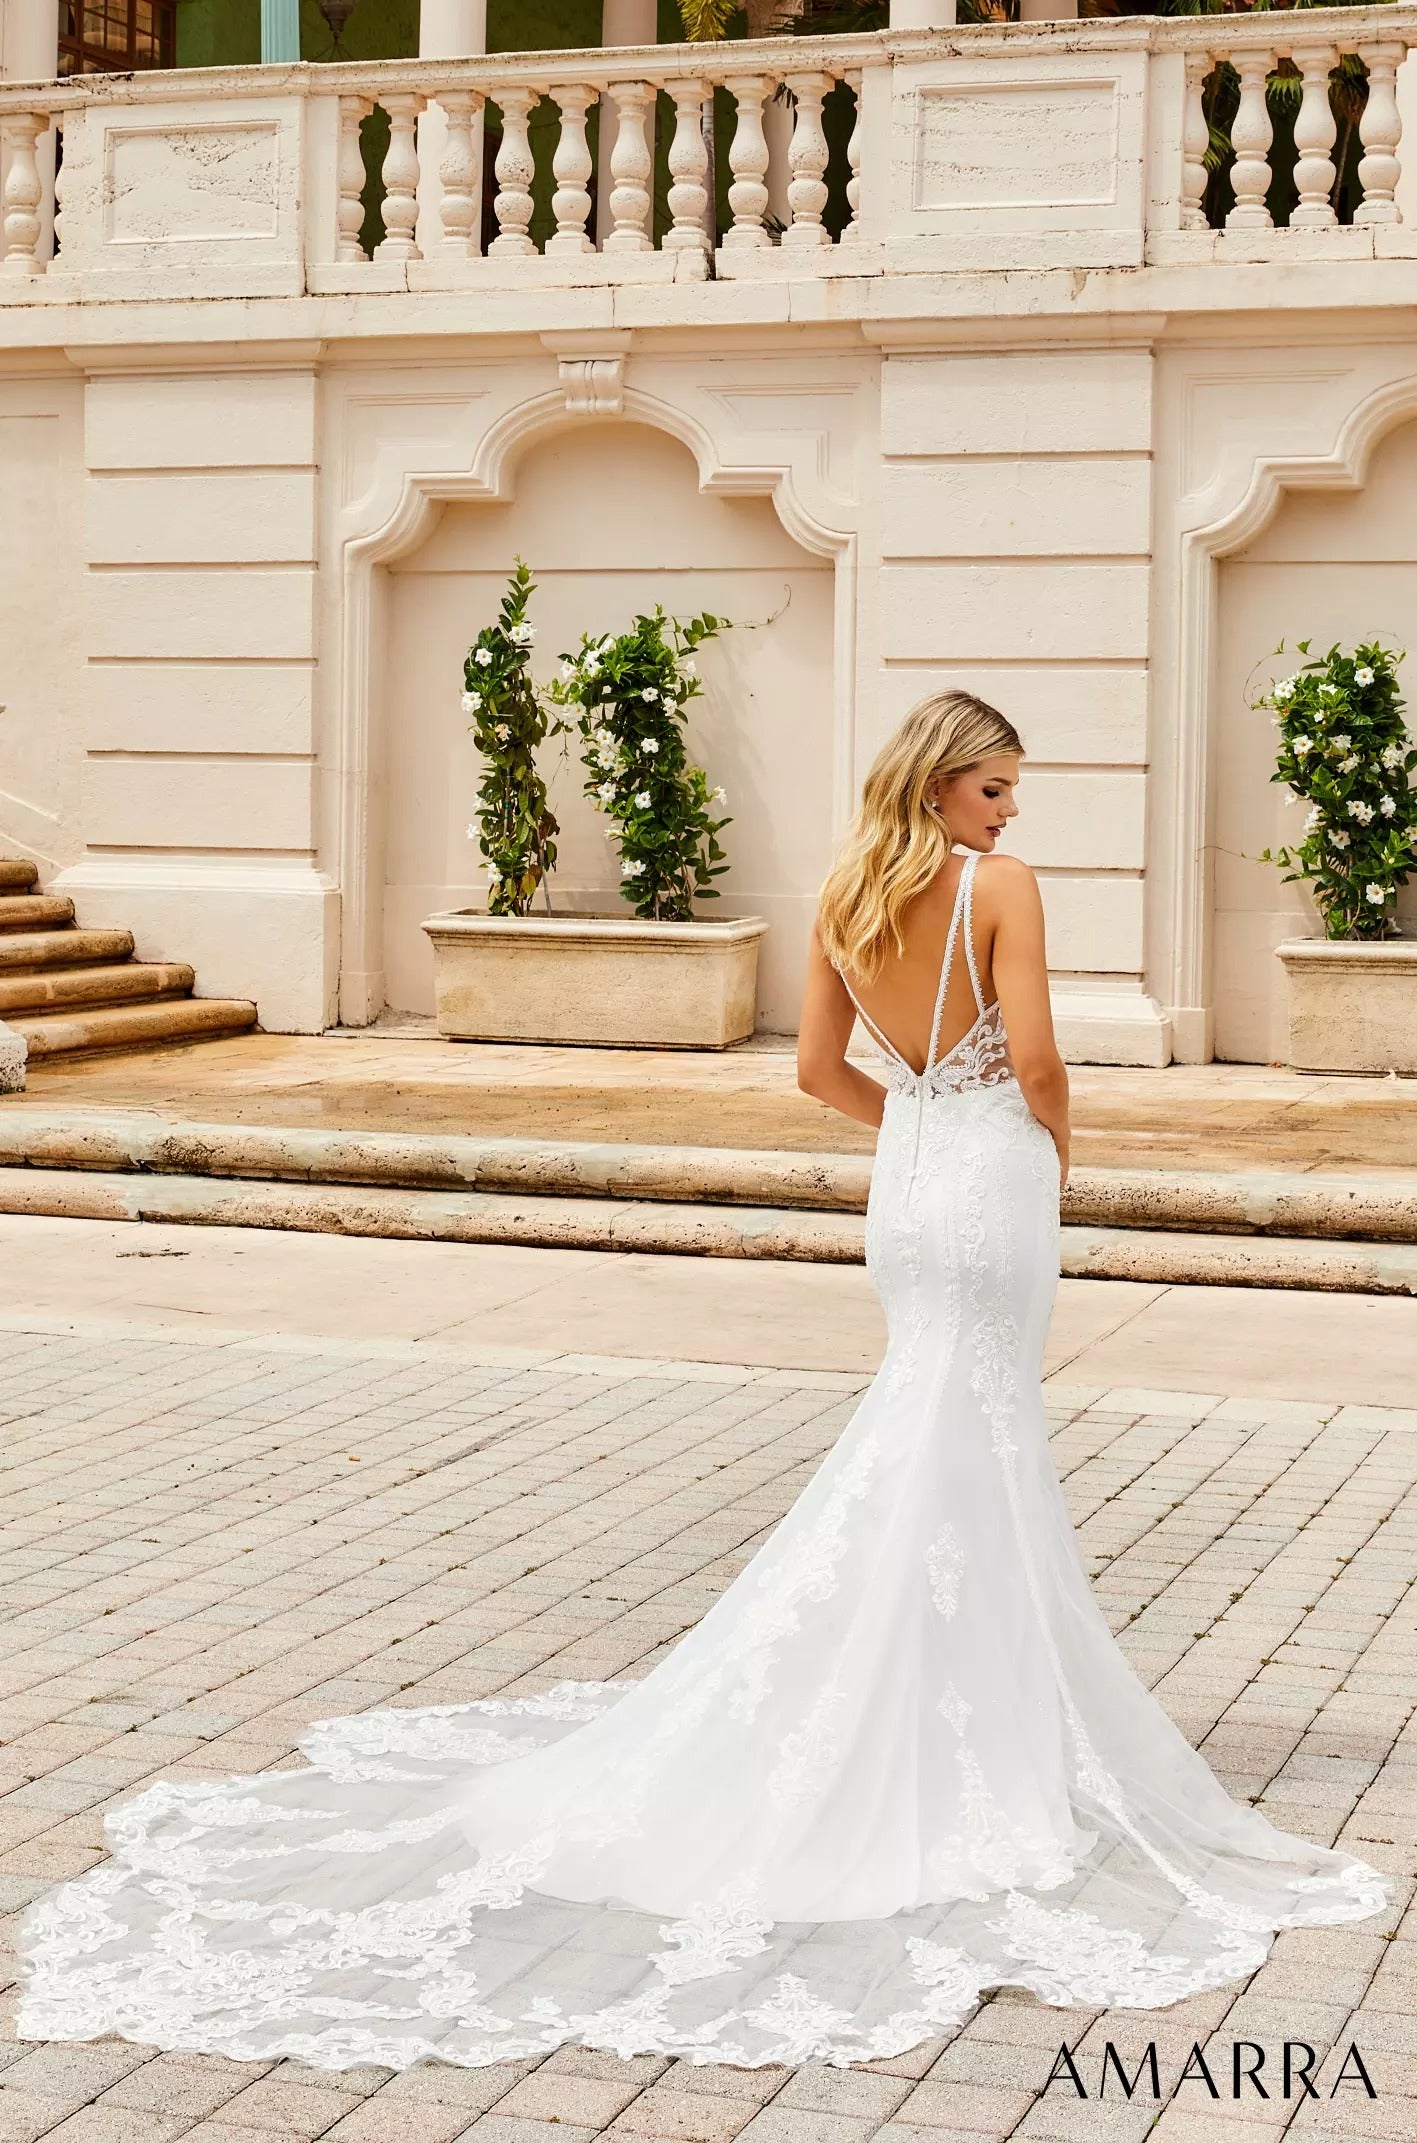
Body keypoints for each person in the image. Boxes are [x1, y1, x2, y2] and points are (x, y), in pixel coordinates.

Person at [17, 691, 1391, 2075]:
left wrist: (919, 1120)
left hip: (909, 1186)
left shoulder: (852, 892)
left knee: (936, 1421)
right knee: (968, 1425)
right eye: (992, 788)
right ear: (936, 788)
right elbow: (1034, 1056)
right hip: (988, 1180)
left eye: (1009, 795)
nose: (1009, 811)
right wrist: (1041, 1152)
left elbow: (816, 1072)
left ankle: (934, 1688)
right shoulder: (1001, 889)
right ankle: (936, 1707)